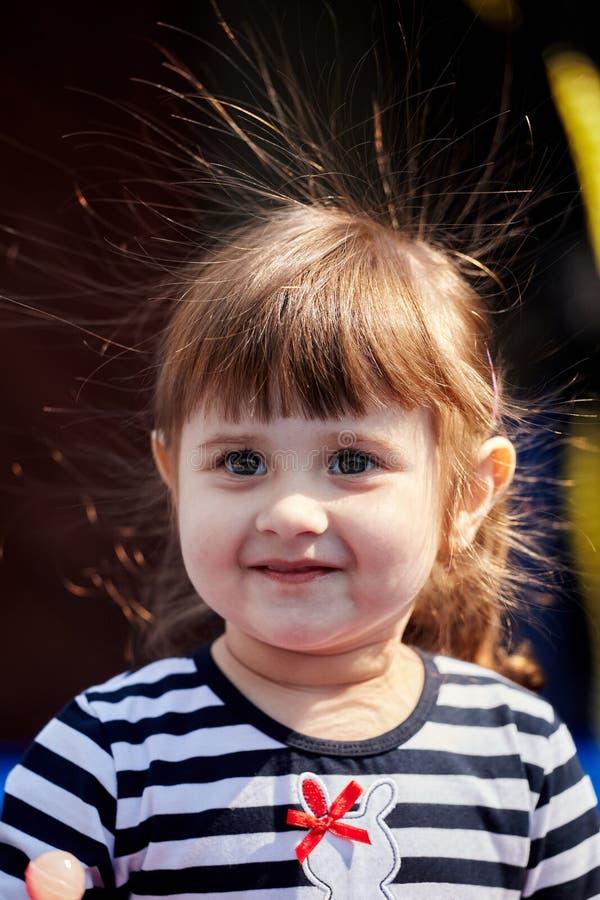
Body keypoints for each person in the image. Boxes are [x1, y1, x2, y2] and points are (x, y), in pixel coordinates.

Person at [1, 9, 599, 899]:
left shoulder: (524, 760)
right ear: (175, 479)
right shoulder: (103, 759)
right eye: (240, 461)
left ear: (469, 494)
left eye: (352, 460)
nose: (287, 510)